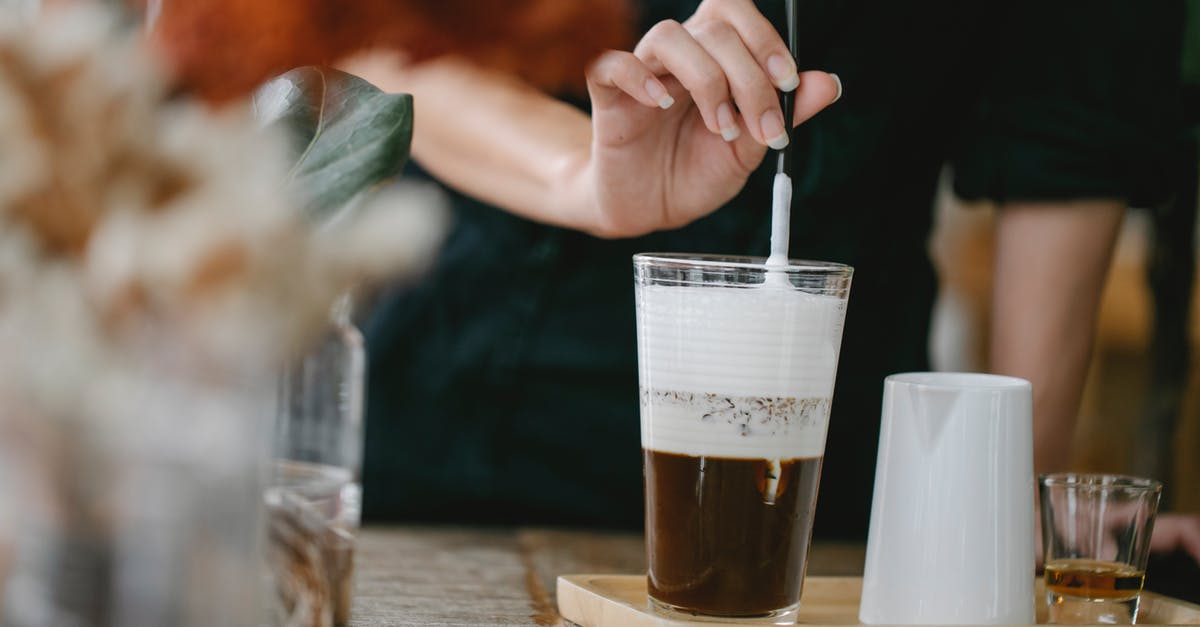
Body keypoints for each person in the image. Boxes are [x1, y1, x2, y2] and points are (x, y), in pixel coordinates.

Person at [350, 0, 1199, 559]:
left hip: (804, 498)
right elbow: (391, 38)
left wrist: (1004, 511)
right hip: (438, 430)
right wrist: (585, 179)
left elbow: (1069, 150)